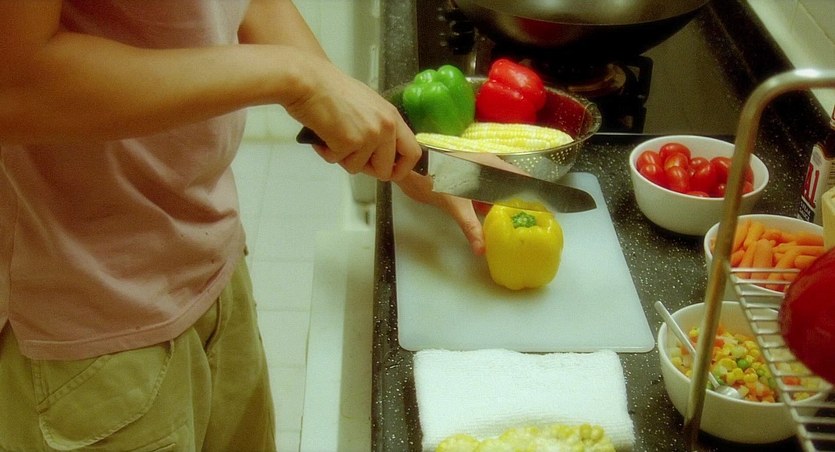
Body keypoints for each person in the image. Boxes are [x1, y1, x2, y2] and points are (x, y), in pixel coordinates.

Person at [0, 1, 484, 450]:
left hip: (210, 257)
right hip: (91, 316)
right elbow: (16, 85)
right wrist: (298, 78)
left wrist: (367, 121)